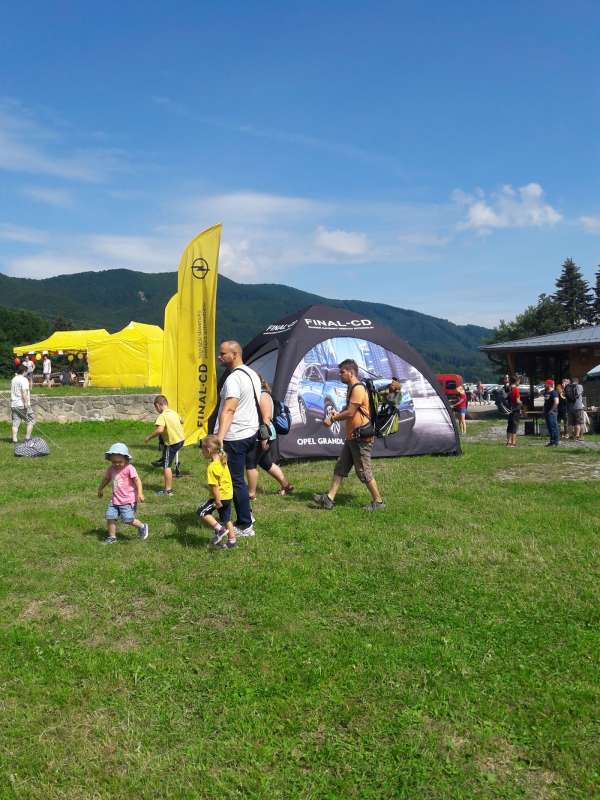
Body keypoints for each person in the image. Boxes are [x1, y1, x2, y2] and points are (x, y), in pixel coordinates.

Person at [312, 358, 386, 511]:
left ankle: (379, 502)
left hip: (360, 438)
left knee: (363, 471)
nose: (339, 374)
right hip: (353, 436)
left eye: (342, 372)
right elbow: (350, 410)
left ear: (351, 373)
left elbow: (351, 413)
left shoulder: (358, 389)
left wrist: (332, 419)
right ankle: (329, 499)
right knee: (341, 467)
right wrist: (338, 413)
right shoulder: (351, 388)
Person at [214, 340, 260, 537]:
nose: (219, 356)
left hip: (235, 436)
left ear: (234, 354)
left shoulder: (233, 379)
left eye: (222, 353)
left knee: (235, 481)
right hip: (250, 433)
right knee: (239, 479)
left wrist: (219, 439)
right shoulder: (252, 374)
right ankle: (247, 513)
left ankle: (244, 525)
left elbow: (229, 410)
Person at [246, 377, 294, 500]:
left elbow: (266, 417)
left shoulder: (263, 395)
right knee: (266, 463)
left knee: (251, 463)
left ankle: (251, 494)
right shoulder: (259, 394)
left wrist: (264, 438)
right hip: (264, 434)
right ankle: (286, 486)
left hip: (263, 435)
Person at [97, 443, 148, 545]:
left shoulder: (129, 468)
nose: (117, 464)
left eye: (120, 462)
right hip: (115, 499)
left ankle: (142, 526)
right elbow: (106, 479)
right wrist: (100, 488)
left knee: (127, 520)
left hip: (128, 500)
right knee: (110, 517)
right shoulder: (111, 469)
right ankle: (112, 537)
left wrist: (140, 493)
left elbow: (137, 480)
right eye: (114, 462)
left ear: (126, 459)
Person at [197, 435, 237, 549]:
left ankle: (220, 530)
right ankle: (232, 541)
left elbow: (215, 486)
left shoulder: (212, 467)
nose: (202, 452)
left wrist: (218, 501)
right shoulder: (221, 458)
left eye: (202, 449)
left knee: (202, 512)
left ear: (209, 450)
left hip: (220, 497)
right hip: (228, 495)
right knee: (226, 519)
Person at [145, 395, 185, 496]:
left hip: (173, 443)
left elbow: (160, 430)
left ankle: (168, 490)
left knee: (166, 465)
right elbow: (182, 421)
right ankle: (164, 457)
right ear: (168, 404)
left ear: (157, 406)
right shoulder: (173, 412)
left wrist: (149, 437)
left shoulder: (162, 416)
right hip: (181, 440)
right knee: (161, 437)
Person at [10, 364, 35, 444]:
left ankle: (14, 439)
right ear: (24, 371)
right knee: (30, 420)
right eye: (26, 371)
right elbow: (23, 391)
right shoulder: (24, 380)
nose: (27, 373)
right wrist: (26, 402)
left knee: (15, 422)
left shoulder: (13, 379)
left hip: (14, 404)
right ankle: (27, 438)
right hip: (22, 404)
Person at [565, 376, 585, 442]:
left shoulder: (567, 387)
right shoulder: (579, 386)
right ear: (576, 381)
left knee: (570, 423)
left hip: (569, 408)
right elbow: (581, 392)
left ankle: (570, 435)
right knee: (578, 423)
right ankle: (576, 436)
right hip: (578, 407)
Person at [543, 379, 560, 447]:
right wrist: (543, 409)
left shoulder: (554, 392)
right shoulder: (547, 392)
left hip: (552, 413)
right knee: (549, 427)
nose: (544, 385)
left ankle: (555, 442)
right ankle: (551, 441)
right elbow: (546, 402)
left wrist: (551, 410)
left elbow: (556, 402)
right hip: (547, 412)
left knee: (554, 427)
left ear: (550, 385)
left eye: (546, 384)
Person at [506, 375, 522, 447]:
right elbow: (517, 401)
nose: (519, 383)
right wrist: (522, 402)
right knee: (514, 426)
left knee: (509, 425)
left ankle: (508, 442)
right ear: (516, 381)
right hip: (515, 409)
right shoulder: (515, 390)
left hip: (509, 409)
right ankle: (513, 442)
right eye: (519, 381)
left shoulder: (509, 388)